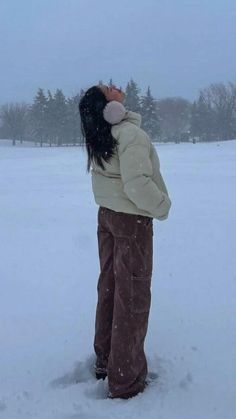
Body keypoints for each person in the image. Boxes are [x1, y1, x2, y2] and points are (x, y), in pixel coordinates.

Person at [79, 84, 171, 399]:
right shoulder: (130, 135)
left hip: (107, 217)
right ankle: (125, 379)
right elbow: (137, 185)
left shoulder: (104, 135)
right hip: (131, 222)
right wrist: (162, 207)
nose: (117, 88)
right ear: (109, 107)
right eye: (110, 89)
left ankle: (107, 361)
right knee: (132, 296)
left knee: (111, 288)